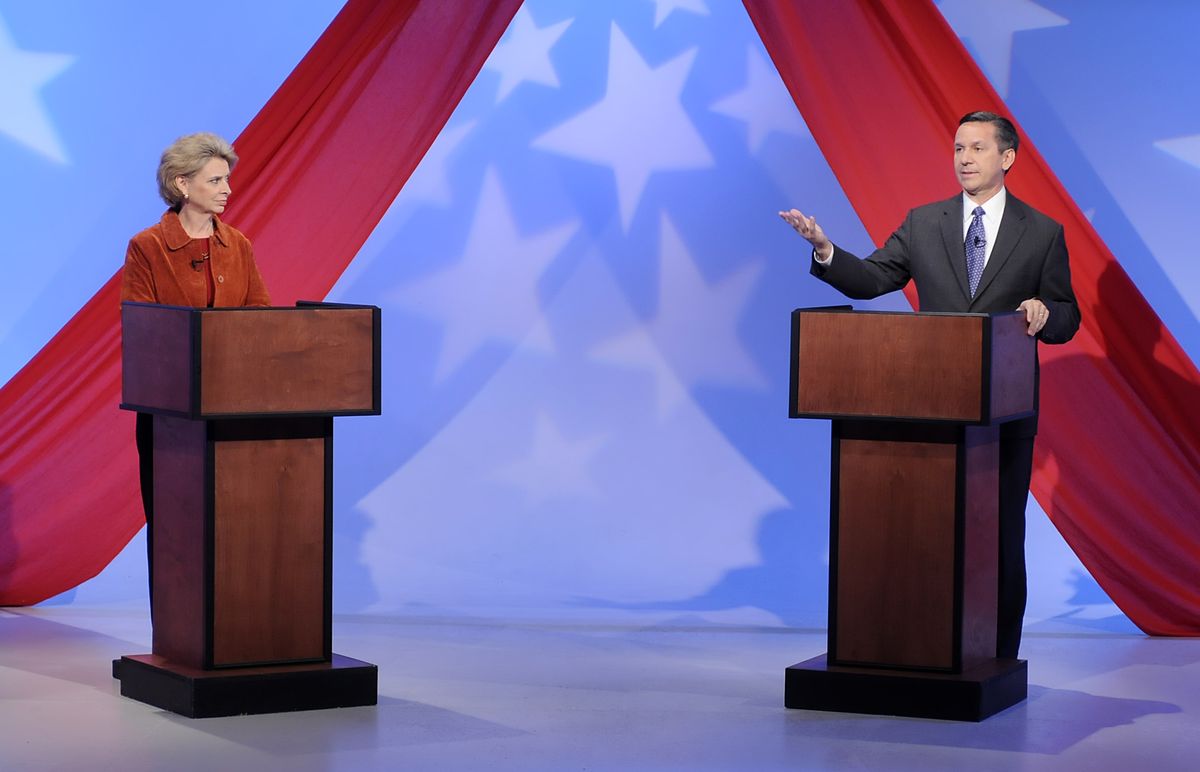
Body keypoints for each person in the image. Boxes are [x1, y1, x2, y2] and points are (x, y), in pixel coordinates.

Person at [779, 111, 1080, 659]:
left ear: (1007, 158)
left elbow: (1067, 316)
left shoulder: (1041, 232)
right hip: (931, 413)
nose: (964, 158)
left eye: (977, 148)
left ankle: (997, 658)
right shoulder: (924, 223)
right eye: (958, 148)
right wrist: (824, 248)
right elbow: (873, 279)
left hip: (1003, 418)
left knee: (999, 539)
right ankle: (925, 648)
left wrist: (1044, 312)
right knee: (930, 539)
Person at [120, 132, 271, 606]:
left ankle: (234, 620)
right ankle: (175, 627)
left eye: (227, 179)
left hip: (233, 408)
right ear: (182, 184)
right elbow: (143, 331)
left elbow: (261, 321)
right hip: (171, 413)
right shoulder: (147, 247)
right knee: (175, 524)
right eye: (216, 180)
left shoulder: (238, 245)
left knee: (233, 525)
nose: (228, 189)